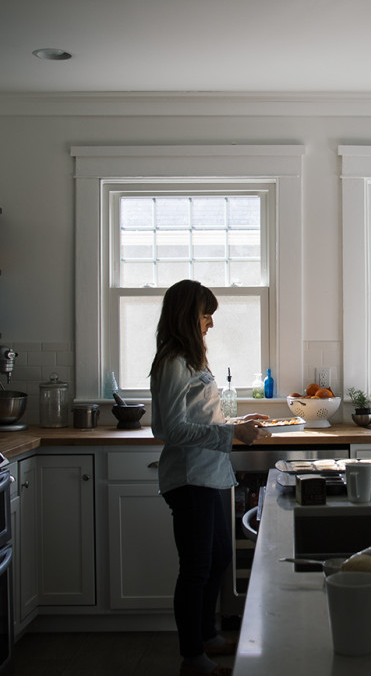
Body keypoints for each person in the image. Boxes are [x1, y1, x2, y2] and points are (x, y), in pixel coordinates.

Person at [149, 279, 269, 676]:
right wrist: (231, 433)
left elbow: (203, 418)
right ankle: (192, 657)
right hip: (189, 479)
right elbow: (168, 430)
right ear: (188, 317)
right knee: (196, 567)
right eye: (205, 316)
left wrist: (235, 422)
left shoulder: (193, 360)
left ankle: (208, 636)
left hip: (213, 475)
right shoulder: (171, 363)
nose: (210, 325)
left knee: (218, 559)